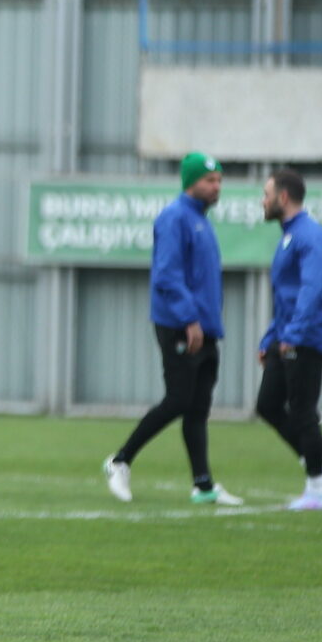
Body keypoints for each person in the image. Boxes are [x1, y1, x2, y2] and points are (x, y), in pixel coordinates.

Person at [103, 151, 242, 506]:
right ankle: (120, 461)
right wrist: (189, 319)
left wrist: (207, 324)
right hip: (181, 326)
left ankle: (203, 485)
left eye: (219, 180)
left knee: (197, 408)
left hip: (205, 329)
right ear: (190, 182)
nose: (217, 187)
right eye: (209, 180)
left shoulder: (201, 221)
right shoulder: (174, 217)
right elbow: (167, 275)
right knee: (178, 399)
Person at [256, 168, 322, 512]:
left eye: (266, 195)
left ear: (283, 197)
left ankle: (316, 491)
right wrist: (270, 338)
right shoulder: (289, 235)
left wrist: (292, 335)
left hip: (306, 337)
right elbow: (285, 297)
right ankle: (316, 465)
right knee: (268, 405)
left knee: (303, 411)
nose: (262, 202)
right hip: (287, 335)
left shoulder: (310, 235)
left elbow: (311, 289)